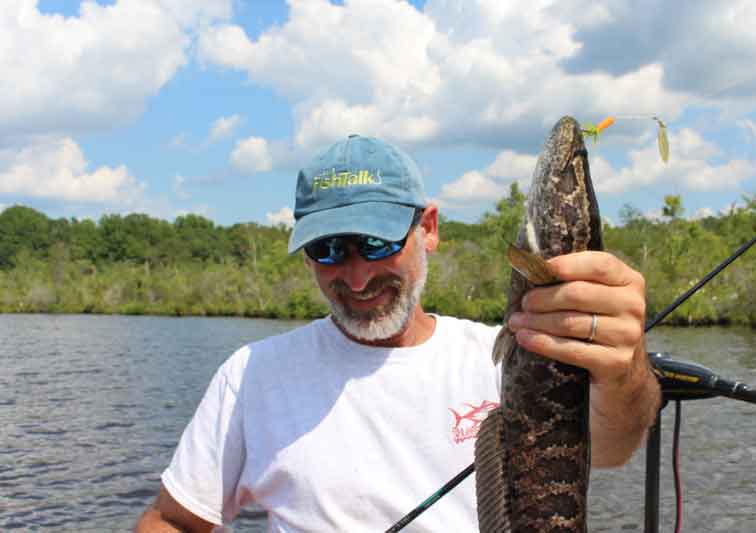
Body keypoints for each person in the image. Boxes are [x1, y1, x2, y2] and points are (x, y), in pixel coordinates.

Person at [135, 135, 661, 532]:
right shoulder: (251, 375)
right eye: (329, 250)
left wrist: (624, 367)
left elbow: (614, 447)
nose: (357, 276)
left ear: (427, 228)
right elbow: (173, 520)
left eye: (375, 241)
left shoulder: (508, 352)